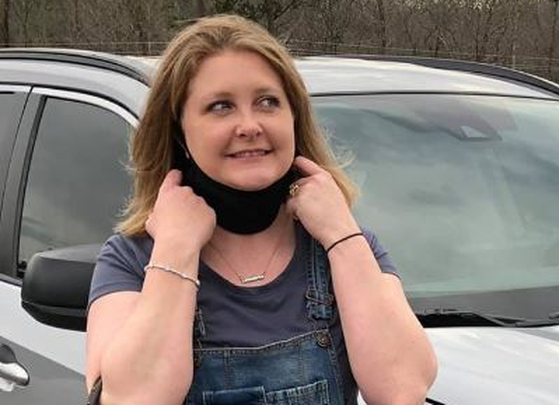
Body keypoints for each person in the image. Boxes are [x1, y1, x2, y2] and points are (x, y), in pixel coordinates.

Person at [85, 14, 437, 405]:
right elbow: (132, 399)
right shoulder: (132, 260)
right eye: (221, 106)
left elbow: (402, 389)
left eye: (267, 102)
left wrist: (341, 234)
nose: (249, 125)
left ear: (294, 118)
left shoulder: (347, 247)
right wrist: (175, 250)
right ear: (179, 132)